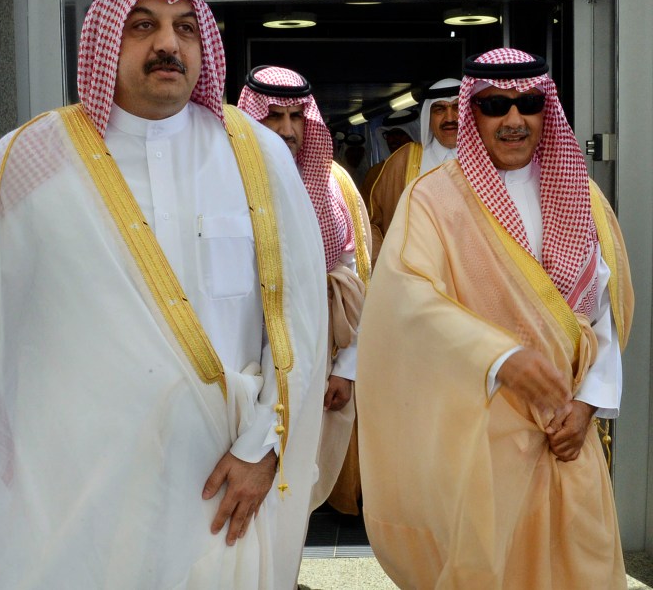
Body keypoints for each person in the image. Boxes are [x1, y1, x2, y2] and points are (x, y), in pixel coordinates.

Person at [0, 0, 328, 590]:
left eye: (183, 27)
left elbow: (300, 321)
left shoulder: (258, 155)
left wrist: (263, 448)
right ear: (104, 36)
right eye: (141, 25)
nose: (167, 44)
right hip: (78, 490)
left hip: (220, 483)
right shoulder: (30, 160)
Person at [357, 48, 633, 589]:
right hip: (479, 440)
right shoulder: (433, 201)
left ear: (545, 110)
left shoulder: (585, 196)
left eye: (528, 103)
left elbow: (603, 315)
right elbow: (407, 302)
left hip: (567, 437)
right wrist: (501, 359)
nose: (513, 120)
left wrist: (588, 404)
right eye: (494, 105)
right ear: (472, 112)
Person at [237, 66, 371, 515]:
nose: (287, 129)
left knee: (296, 486)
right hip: (239, 368)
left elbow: (352, 284)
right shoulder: (222, 180)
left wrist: (346, 368)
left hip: (312, 365)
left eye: (297, 117)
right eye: (273, 116)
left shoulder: (332, 187)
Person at [366, 78, 461, 263]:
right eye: (439, 109)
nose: (450, 118)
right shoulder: (404, 161)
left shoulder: (488, 159)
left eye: (457, 107)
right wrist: (387, 267)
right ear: (428, 116)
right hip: (416, 276)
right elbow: (371, 223)